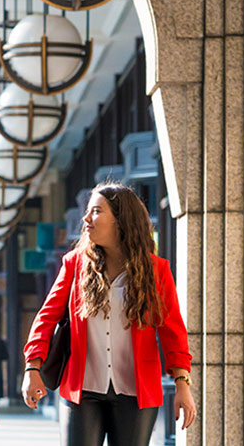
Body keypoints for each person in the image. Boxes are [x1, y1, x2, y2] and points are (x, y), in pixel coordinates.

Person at [22, 183, 197, 446]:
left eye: (95, 211)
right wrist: (32, 366)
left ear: (120, 220)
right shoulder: (75, 264)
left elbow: (173, 331)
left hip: (137, 394)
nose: (86, 219)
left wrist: (182, 383)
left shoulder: (156, 271)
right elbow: (46, 318)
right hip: (82, 392)